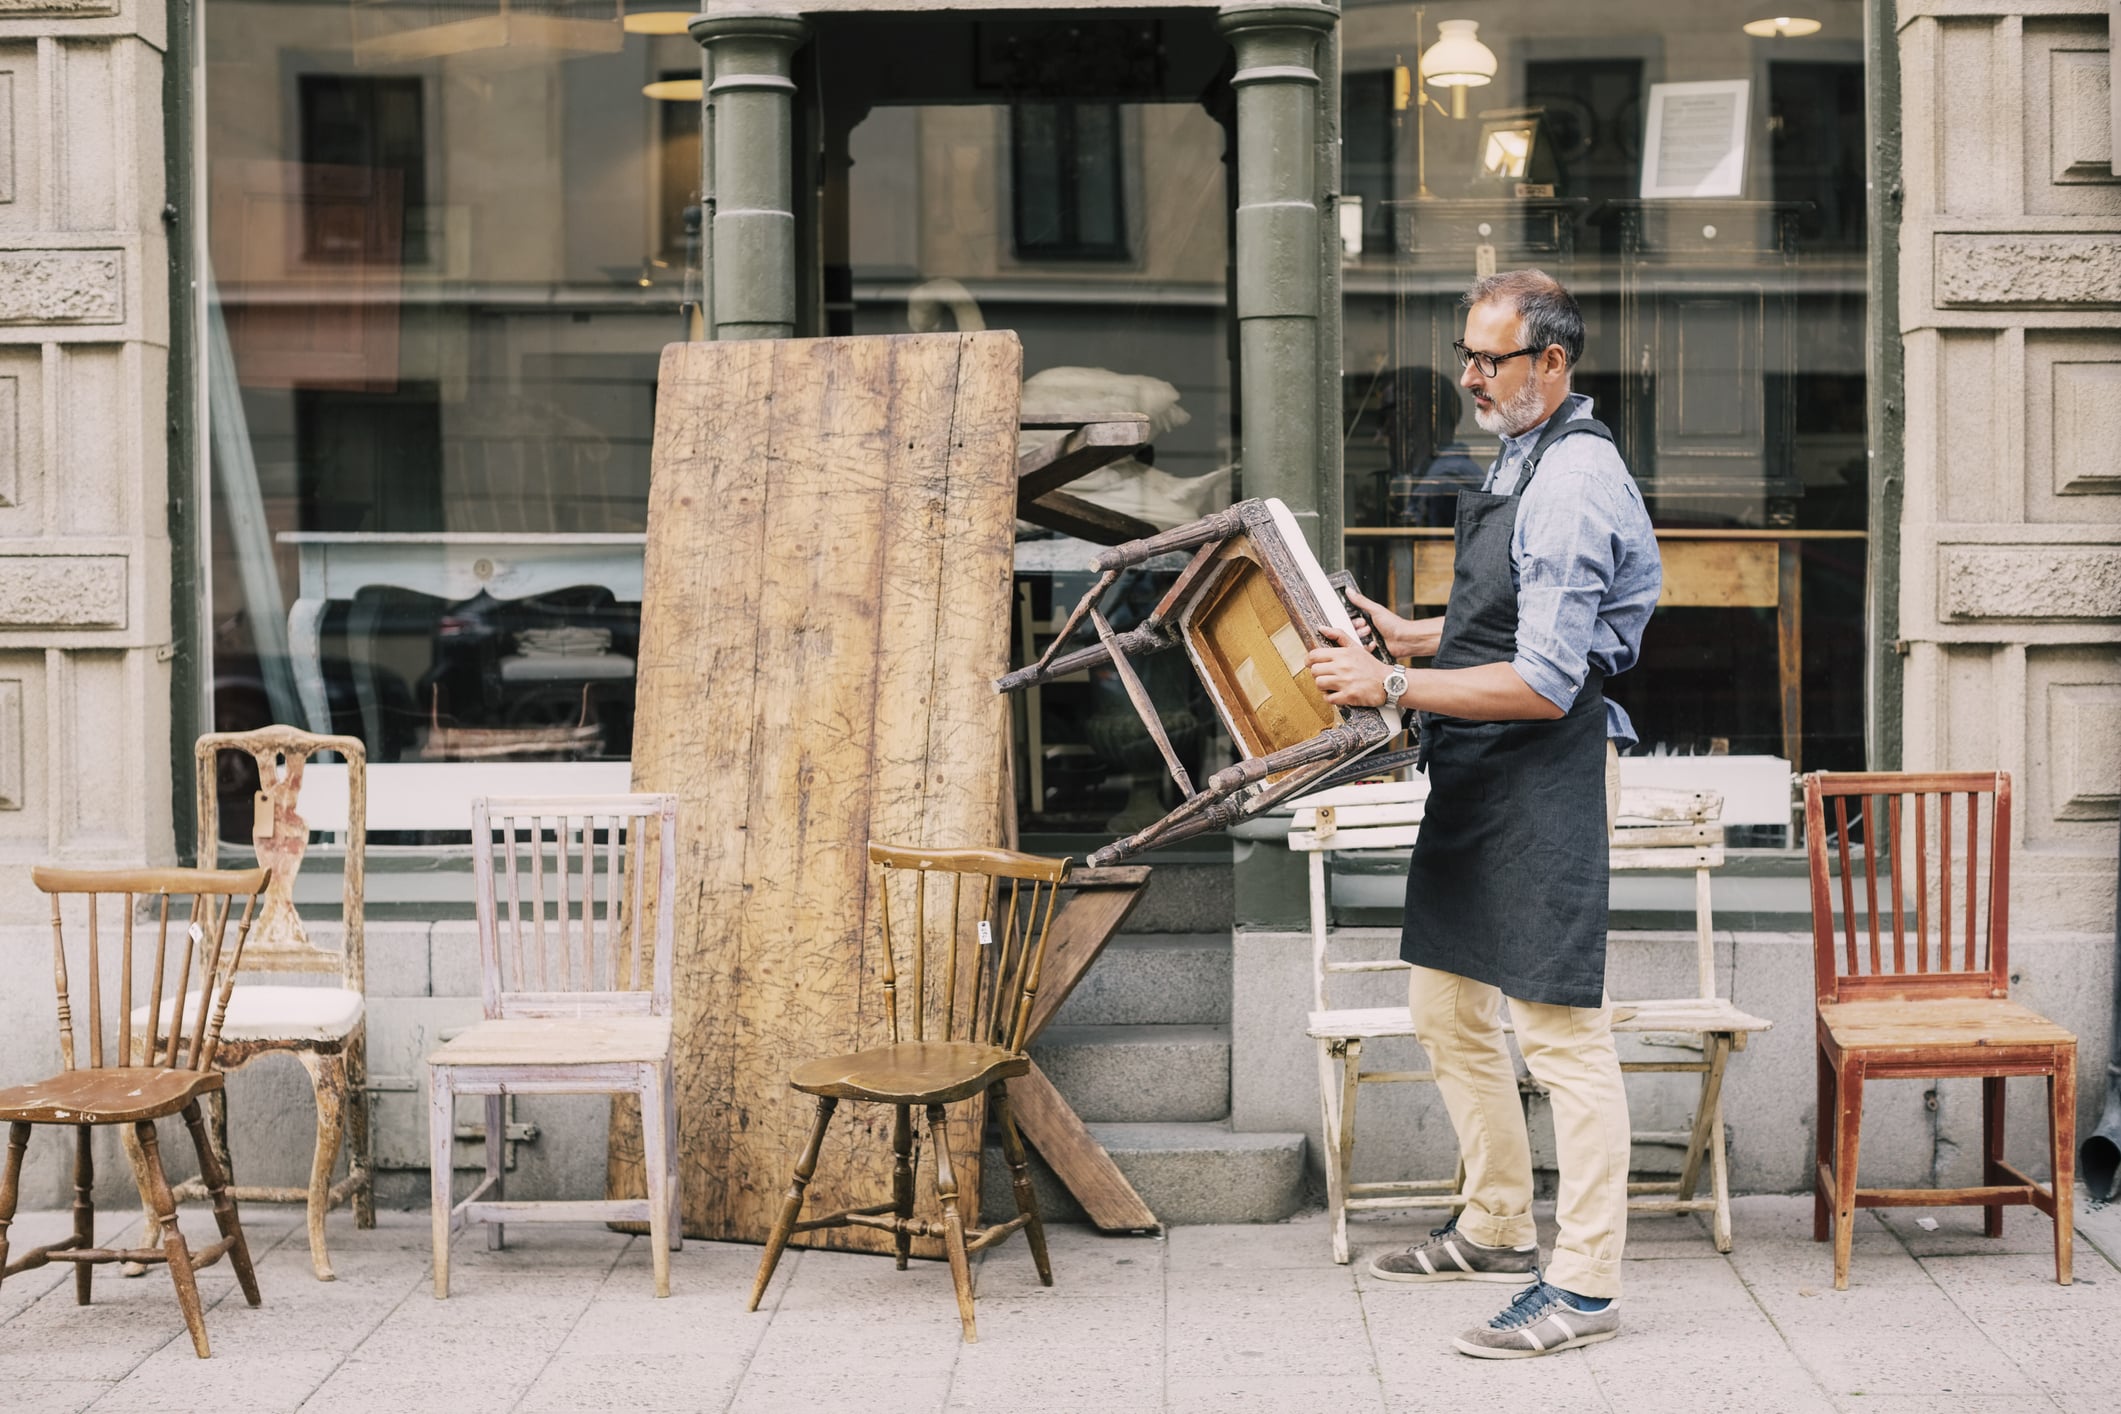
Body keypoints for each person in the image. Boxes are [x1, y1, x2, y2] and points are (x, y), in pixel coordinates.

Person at [1306, 269, 1661, 1359]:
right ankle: (1499, 1221)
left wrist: (1392, 688)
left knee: (1559, 1032)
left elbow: (1547, 682)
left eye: (1490, 358)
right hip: (1479, 772)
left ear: (1552, 363)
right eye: (1468, 353)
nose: (1470, 376)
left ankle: (1586, 1285)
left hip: (1543, 767)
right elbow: (1506, 623)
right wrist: (1412, 637)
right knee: (1447, 1006)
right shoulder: (1523, 449)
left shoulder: (1570, 482)